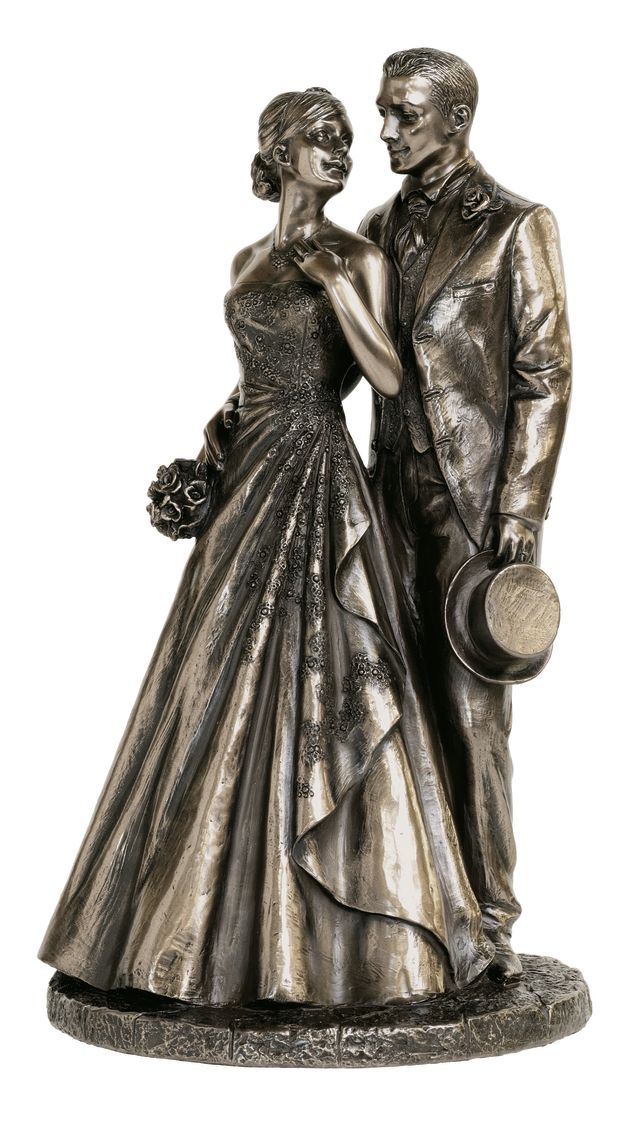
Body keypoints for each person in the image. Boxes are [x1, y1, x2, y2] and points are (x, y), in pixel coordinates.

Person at [39, 88, 495, 1007]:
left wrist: (335, 284)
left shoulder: (358, 255)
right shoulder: (246, 260)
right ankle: (188, 929)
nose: (342, 152)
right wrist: (218, 426)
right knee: (215, 668)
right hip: (248, 467)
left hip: (317, 471)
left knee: (319, 662)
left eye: (345, 141)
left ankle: (335, 938)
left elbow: (388, 375)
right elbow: (255, 373)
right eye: (322, 139)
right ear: (279, 152)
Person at [359, 49, 572, 980]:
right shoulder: (374, 226)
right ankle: (416, 909)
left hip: (474, 506)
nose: (386, 131)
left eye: (404, 114)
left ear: (455, 118)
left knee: (473, 713)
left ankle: (490, 916)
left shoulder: (518, 225)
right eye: (382, 111)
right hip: (384, 499)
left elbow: (545, 373)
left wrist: (521, 503)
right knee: (390, 703)